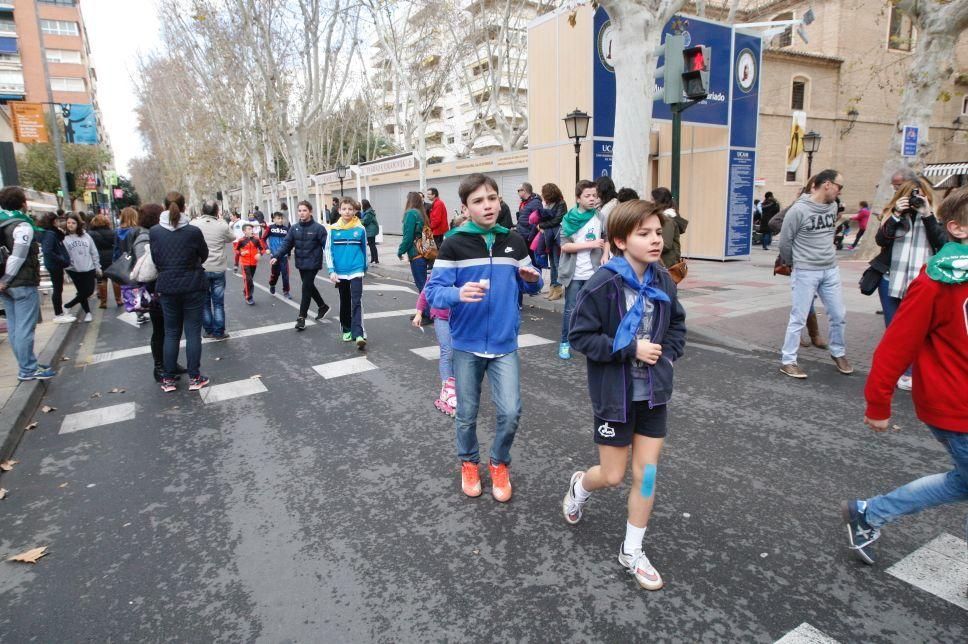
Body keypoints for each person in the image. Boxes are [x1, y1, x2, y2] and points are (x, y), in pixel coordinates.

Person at [563, 199, 687, 591]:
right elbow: (580, 337)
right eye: (644, 233)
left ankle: (632, 551)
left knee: (646, 475)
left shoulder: (663, 279)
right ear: (619, 240)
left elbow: (677, 325)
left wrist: (666, 355)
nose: (655, 241)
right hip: (615, 397)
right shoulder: (602, 283)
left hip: (653, 395)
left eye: (657, 232)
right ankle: (581, 485)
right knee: (614, 476)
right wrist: (632, 348)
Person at [841, 187, 968, 566]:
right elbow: (897, 345)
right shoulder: (936, 282)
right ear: (957, 228)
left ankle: (869, 513)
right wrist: (878, 401)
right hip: (954, 404)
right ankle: (870, 513)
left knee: (963, 483)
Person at [425, 173, 542, 502]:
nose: (487, 205)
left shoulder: (514, 241)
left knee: (510, 412)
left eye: (492, 198)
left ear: (499, 201)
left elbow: (532, 285)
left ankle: (498, 462)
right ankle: (469, 463)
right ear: (465, 207)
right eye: (478, 201)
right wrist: (458, 293)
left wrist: (532, 279)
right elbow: (434, 293)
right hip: (466, 344)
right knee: (466, 413)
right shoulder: (454, 244)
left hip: (505, 344)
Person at [871, 179, 946, 391]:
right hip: (891, 280)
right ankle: (897, 371)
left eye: (920, 195)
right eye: (912, 195)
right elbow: (881, 240)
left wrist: (927, 215)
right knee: (894, 330)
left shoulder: (935, 216)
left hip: (922, 284)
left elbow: (942, 245)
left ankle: (915, 372)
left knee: (919, 331)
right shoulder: (892, 213)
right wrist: (895, 214)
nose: (916, 199)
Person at [777, 169, 852, 378]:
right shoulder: (798, 210)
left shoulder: (833, 206)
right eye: (839, 186)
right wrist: (794, 263)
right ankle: (788, 360)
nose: (840, 191)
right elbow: (785, 241)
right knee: (798, 317)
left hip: (830, 269)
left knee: (838, 314)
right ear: (827, 184)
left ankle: (838, 352)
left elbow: (828, 233)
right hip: (806, 270)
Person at [149, 191, 210, 392]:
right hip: (193, 285)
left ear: (165, 206)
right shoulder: (193, 231)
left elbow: (156, 259)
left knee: (171, 333)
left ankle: (168, 379)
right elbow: (204, 254)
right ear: (184, 207)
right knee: (193, 332)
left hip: (167, 286)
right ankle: (195, 377)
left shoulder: (155, 232)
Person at [413, 213, 467, 417]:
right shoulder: (445, 260)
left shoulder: (473, 259)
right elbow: (428, 288)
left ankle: (458, 387)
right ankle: (447, 389)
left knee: (461, 353)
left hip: (463, 316)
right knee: (448, 351)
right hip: (442, 315)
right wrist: (419, 312)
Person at [0, 187, 56, 381]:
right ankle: (28, 369)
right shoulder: (21, 226)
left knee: (15, 327)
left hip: (6, 285)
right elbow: (19, 256)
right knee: (25, 328)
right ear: (23, 203)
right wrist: (6, 280)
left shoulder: (2, 222)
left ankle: (26, 366)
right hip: (19, 283)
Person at [557, 180, 603, 360]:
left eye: (594, 195)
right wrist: (591, 244)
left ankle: (593, 344)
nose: (592, 199)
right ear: (578, 198)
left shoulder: (599, 217)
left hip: (595, 272)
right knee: (571, 309)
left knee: (596, 310)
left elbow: (606, 238)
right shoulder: (568, 220)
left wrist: (605, 253)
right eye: (587, 196)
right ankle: (564, 343)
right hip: (574, 273)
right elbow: (565, 247)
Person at [271, 200, 329, 331]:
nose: (301, 213)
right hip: (301, 263)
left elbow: (328, 247)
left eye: (304, 210)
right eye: (300, 211)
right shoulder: (294, 228)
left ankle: (301, 317)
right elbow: (286, 244)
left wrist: (335, 264)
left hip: (313, 263)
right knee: (309, 287)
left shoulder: (318, 229)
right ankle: (322, 306)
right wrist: (276, 256)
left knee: (305, 288)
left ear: (310, 212)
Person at [325, 197, 368, 348]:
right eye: (344, 209)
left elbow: (364, 249)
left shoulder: (360, 229)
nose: (347, 212)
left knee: (356, 301)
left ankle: (359, 334)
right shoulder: (333, 230)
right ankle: (347, 328)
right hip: (340, 272)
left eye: (350, 209)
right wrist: (331, 271)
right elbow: (328, 251)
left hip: (356, 270)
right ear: (339, 211)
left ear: (355, 211)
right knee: (345, 301)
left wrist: (364, 267)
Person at [191, 200, 235, 340]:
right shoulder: (221, 225)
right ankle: (219, 331)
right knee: (218, 302)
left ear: (202, 211)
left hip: (201, 268)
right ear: (217, 211)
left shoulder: (194, 224)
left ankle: (208, 330)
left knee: (204, 302)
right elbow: (232, 238)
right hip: (218, 267)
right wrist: (222, 222)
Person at [62, 212, 100, 322]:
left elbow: (94, 251)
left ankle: (68, 305)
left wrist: (97, 266)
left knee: (88, 291)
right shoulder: (64, 238)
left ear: (78, 224)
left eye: (73, 223)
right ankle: (88, 312)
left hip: (89, 267)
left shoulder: (86, 236)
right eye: (68, 223)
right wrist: (65, 270)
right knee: (81, 291)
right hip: (73, 269)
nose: (70, 225)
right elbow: (64, 255)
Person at [39, 213, 73, 323]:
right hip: (54, 265)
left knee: (58, 288)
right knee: (57, 289)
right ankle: (58, 314)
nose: (59, 223)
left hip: (54, 264)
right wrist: (61, 260)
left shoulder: (50, 233)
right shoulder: (50, 234)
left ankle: (59, 313)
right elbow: (48, 251)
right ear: (53, 221)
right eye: (57, 221)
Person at [536, 183, 566, 301]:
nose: (543, 196)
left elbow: (557, 220)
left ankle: (558, 289)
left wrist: (541, 225)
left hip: (557, 237)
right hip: (549, 237)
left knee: (557, 264)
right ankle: (553, 287)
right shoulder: (547, 204)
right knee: (552, 264)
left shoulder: (561, 203)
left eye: (544, 193)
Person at [397, 191, 431, 295]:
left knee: (421, 286)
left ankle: (428, 311)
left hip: (416, 254)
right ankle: (425, 311)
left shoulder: (411, 213)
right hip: (423, 253)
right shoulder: (422, 213)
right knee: (424, 286)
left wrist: (400, 251)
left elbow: (408, 237)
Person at [650, 188, 689, 269]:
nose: (650, 202)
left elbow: (666, 244)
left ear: (658, 201)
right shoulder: (666, 216)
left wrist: (648, 246)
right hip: (666, 261)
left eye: (652, 199)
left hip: (667, 263)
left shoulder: (667, 219)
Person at [88, 214, 120, 309]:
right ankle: (118, 300)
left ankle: (103, 302)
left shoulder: (91, 234)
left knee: (101, 280)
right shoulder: (113, 232)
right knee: (115, 279)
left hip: (99, 258)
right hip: (111, 257)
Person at [234, 223, 267, 305]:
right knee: (248, 279)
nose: (251, 230)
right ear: (244, 231)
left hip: (253, 263)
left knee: (250, 279)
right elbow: (236, 250)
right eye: (248, 229)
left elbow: (262, 249)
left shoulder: (256, 239)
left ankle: (246, 290)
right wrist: (241, 253)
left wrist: (260, 254)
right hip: (245, 263)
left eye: (251, 229)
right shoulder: (241, 240)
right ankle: (249, 297)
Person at [264, 211, 292, 297]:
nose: (280, 220)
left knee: (285, 274)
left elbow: (289, 242)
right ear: (274, 219)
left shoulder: (286, 229)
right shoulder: (270, 228)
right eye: (278, 218)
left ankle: (286, 291)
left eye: (281, 218)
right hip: (274, 256)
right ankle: (272, 284)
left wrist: (289, 253)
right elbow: (262, 239)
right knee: (275, 274)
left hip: (284, 256)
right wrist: (267, 248)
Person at [360, 199, 380, 264]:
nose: (361, 205)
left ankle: (375, 260)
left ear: (364, 205)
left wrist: (358, 221)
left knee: (372, 245)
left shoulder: (369, 213)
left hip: (371, 231)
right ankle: (373, 259)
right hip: (371, 230)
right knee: (372, 245)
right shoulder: (369, 211)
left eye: (362, 204)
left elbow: (365, 221)